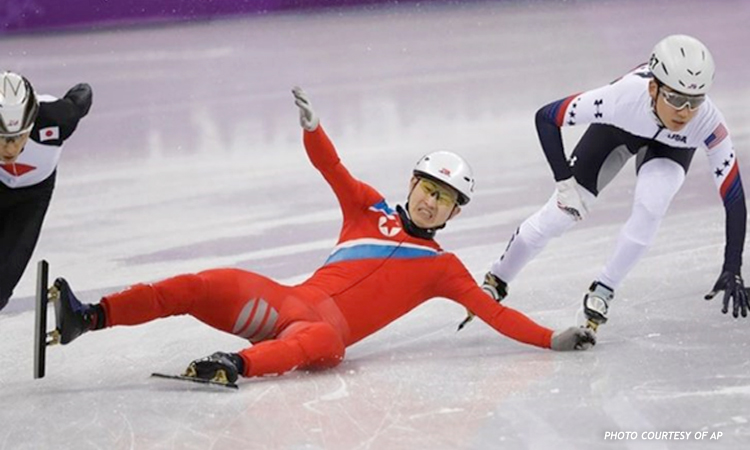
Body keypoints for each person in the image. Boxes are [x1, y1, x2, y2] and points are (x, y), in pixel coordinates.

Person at [48, 87, 595, 385]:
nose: (431, 202)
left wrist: (552, 338)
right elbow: (331, 167)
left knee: (323, 343)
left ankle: (234, 366)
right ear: (412, 183)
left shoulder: (443, 270)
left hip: (318, 334)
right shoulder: (367, 208)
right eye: (428, 188)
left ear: (453, 214)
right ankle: (90, 317)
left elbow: (496, 314)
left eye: (444, 199)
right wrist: (314, 128)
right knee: (202, 282)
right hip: (281, 303)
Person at [463, 34, 748, 332]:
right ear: (653, 88)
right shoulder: (620, 98)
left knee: (652, 206)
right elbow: (546, 118)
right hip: (618, 130)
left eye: (695, 101)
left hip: (672, 148)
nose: (685, 112)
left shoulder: (708, 123)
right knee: (557, 217)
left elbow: (734, 198)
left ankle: (604, 289)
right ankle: (498, 279)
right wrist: (564, 182)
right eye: (675, 99)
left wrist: (733, 268)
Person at [0, 71, 92, 312]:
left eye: (19, 136)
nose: (10, 148)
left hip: (32, 197)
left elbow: (82, 93)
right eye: (2, 138)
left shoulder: (59, 118)